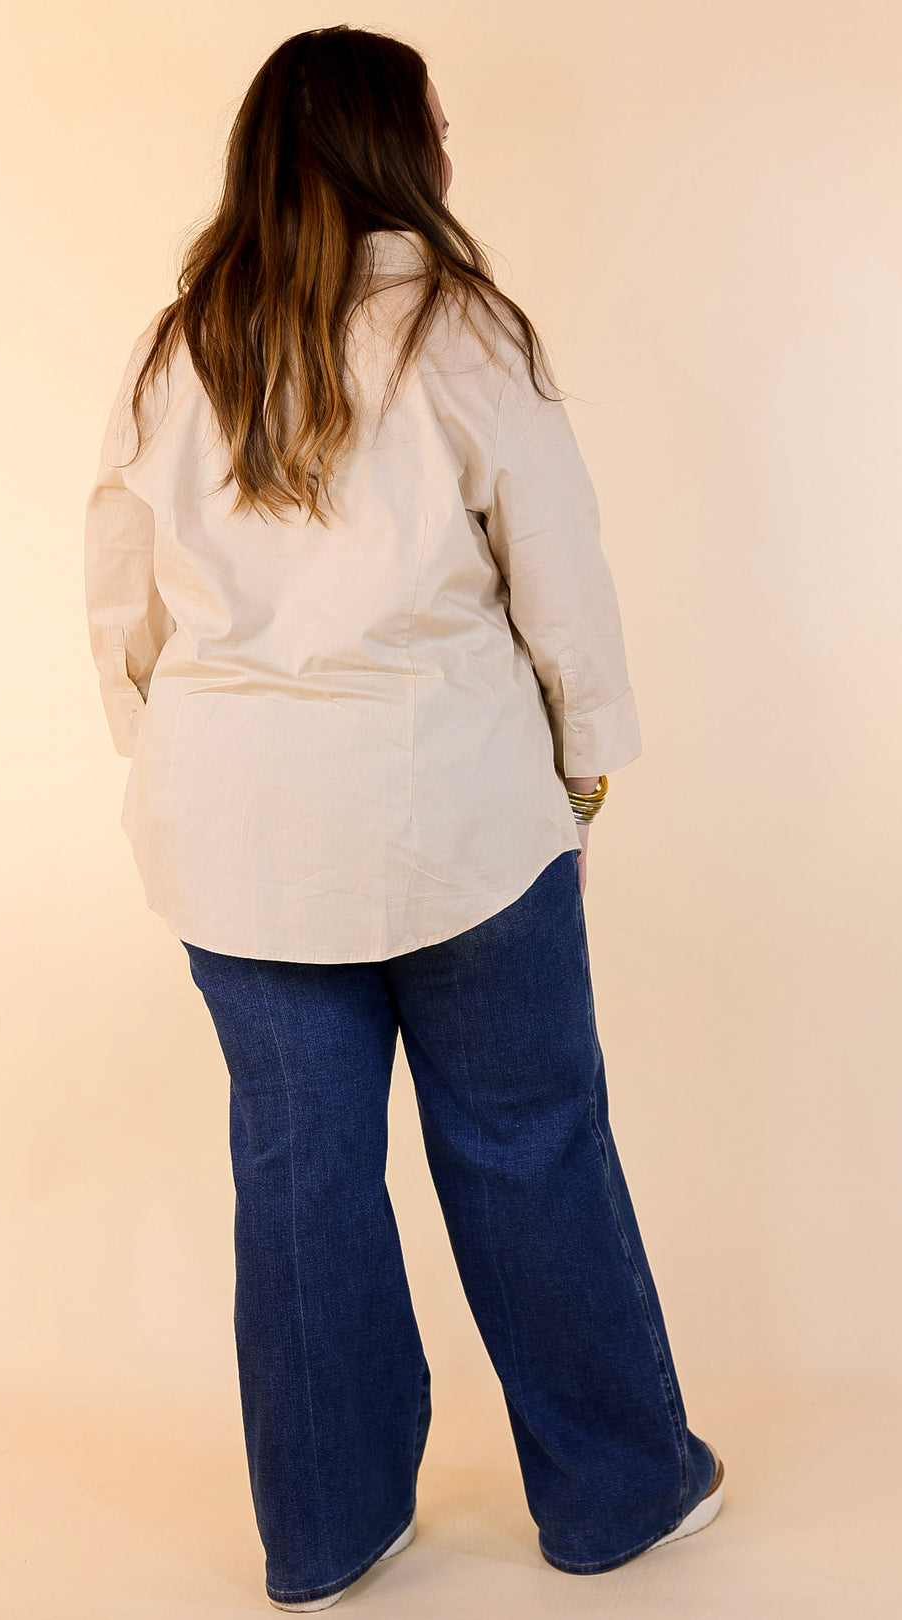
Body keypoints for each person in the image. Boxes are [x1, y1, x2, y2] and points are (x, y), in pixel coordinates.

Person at [83, 25, 724, 1613]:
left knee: (299, 1177)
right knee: (529, 1146)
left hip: (236, 833)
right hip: (459, 816)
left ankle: (327, 1531)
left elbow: (120, 595)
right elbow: (557, 572)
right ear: (398, 149)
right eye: (436, 124)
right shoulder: (463, 331)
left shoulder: (180, 349)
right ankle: (617, 1496)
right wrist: (588, 757)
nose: (449, 147)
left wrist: (174, 752)